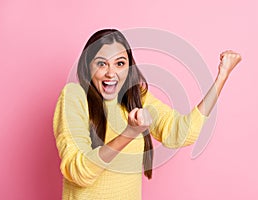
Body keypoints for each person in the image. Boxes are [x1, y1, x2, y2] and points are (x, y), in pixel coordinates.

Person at [53, 29, 241, 200]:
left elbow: (182, 133)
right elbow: (79, 172)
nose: (111, 73)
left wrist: (221, 77)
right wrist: (130, 132)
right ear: (88, 66)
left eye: (120, 63)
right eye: (102, 64)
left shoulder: (137, 98)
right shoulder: (75, 96)